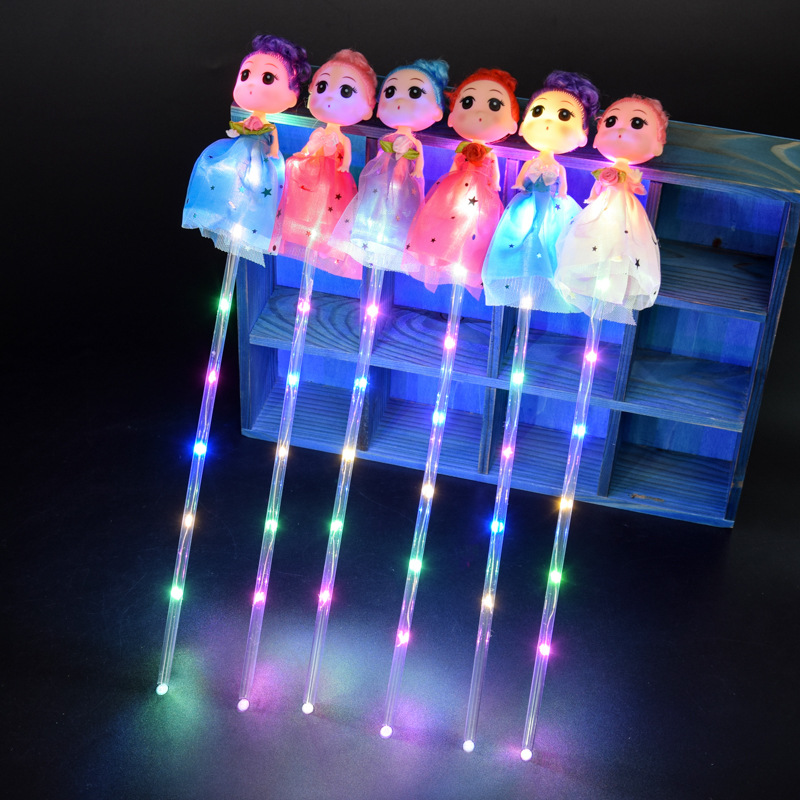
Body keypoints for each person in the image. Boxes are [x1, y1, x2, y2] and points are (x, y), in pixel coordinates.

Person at [182, 34, 311, 264]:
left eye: (268, 77)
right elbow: (236, 130)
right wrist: (236, 132)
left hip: (260, 157)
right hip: (239, 152)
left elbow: (273, 143)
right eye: (245, 75)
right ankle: (225, 209)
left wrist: (272, 154)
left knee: (256, 185)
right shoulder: (248, 119)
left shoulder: (269, 126)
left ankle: (249, 209)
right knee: (227, 177)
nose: (251, 84)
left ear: (292, 95)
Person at [482, 71, 600, 310]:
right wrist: (520, 185)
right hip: (527, 199)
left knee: (550, 238)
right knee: (519, 231)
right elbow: (522, 177)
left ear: (582, 136)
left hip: (552, 201)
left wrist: (562, 193)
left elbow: (563, 183)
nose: (548, 122)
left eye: (564, 115)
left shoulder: (558, 166)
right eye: (537, 111)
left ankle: (543, 275)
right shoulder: (531, 162)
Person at [403, 68, 519, 298]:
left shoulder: (490, 153)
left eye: (494, 105)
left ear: (513, 125)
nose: (479, 113)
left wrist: (495, 183)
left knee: (475, 230)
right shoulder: (462, 149)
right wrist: (451, 176)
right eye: (467, 102)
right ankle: (444, 253)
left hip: (482, 194)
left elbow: (495, 171)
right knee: (448, 223)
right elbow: (455, 165)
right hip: (456, 189)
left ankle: (465, 258)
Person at [555, 95, 669, 323]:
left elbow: (637, 189)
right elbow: (597, 188)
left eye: (637, 123)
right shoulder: (606, 172)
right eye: (611, 122)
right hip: (602, 209)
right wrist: (594, 196)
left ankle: (614, 277)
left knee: (622, 243)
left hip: (626, 211)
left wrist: (631, 182)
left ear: (656, 145)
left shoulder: (630, 173)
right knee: (592, 243)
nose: (621, 131)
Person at [328, 59, 449, 273]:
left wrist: (418, 170)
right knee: (375, 203)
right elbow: (380, 153)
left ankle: (394, 237)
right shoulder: (388, 138)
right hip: (381, 177)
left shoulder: (414, 143)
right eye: (390, 92)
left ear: (437, 112)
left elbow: (419, 159)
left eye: (414, 93)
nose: (400, 100)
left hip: (404, 181)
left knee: (400, 210)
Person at [268, 49, 377, 278]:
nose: (329, 98)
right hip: (312, 174)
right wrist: (309, 149)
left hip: (335, 179)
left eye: (345, 91)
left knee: (330, 215)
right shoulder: (318, 132)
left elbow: (347, 158)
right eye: (322, 87)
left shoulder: (344, 139)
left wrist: (345, 166)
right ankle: (299, 232)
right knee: (300, 187)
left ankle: (324, 245)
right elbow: (308, 150)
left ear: (368, 109)